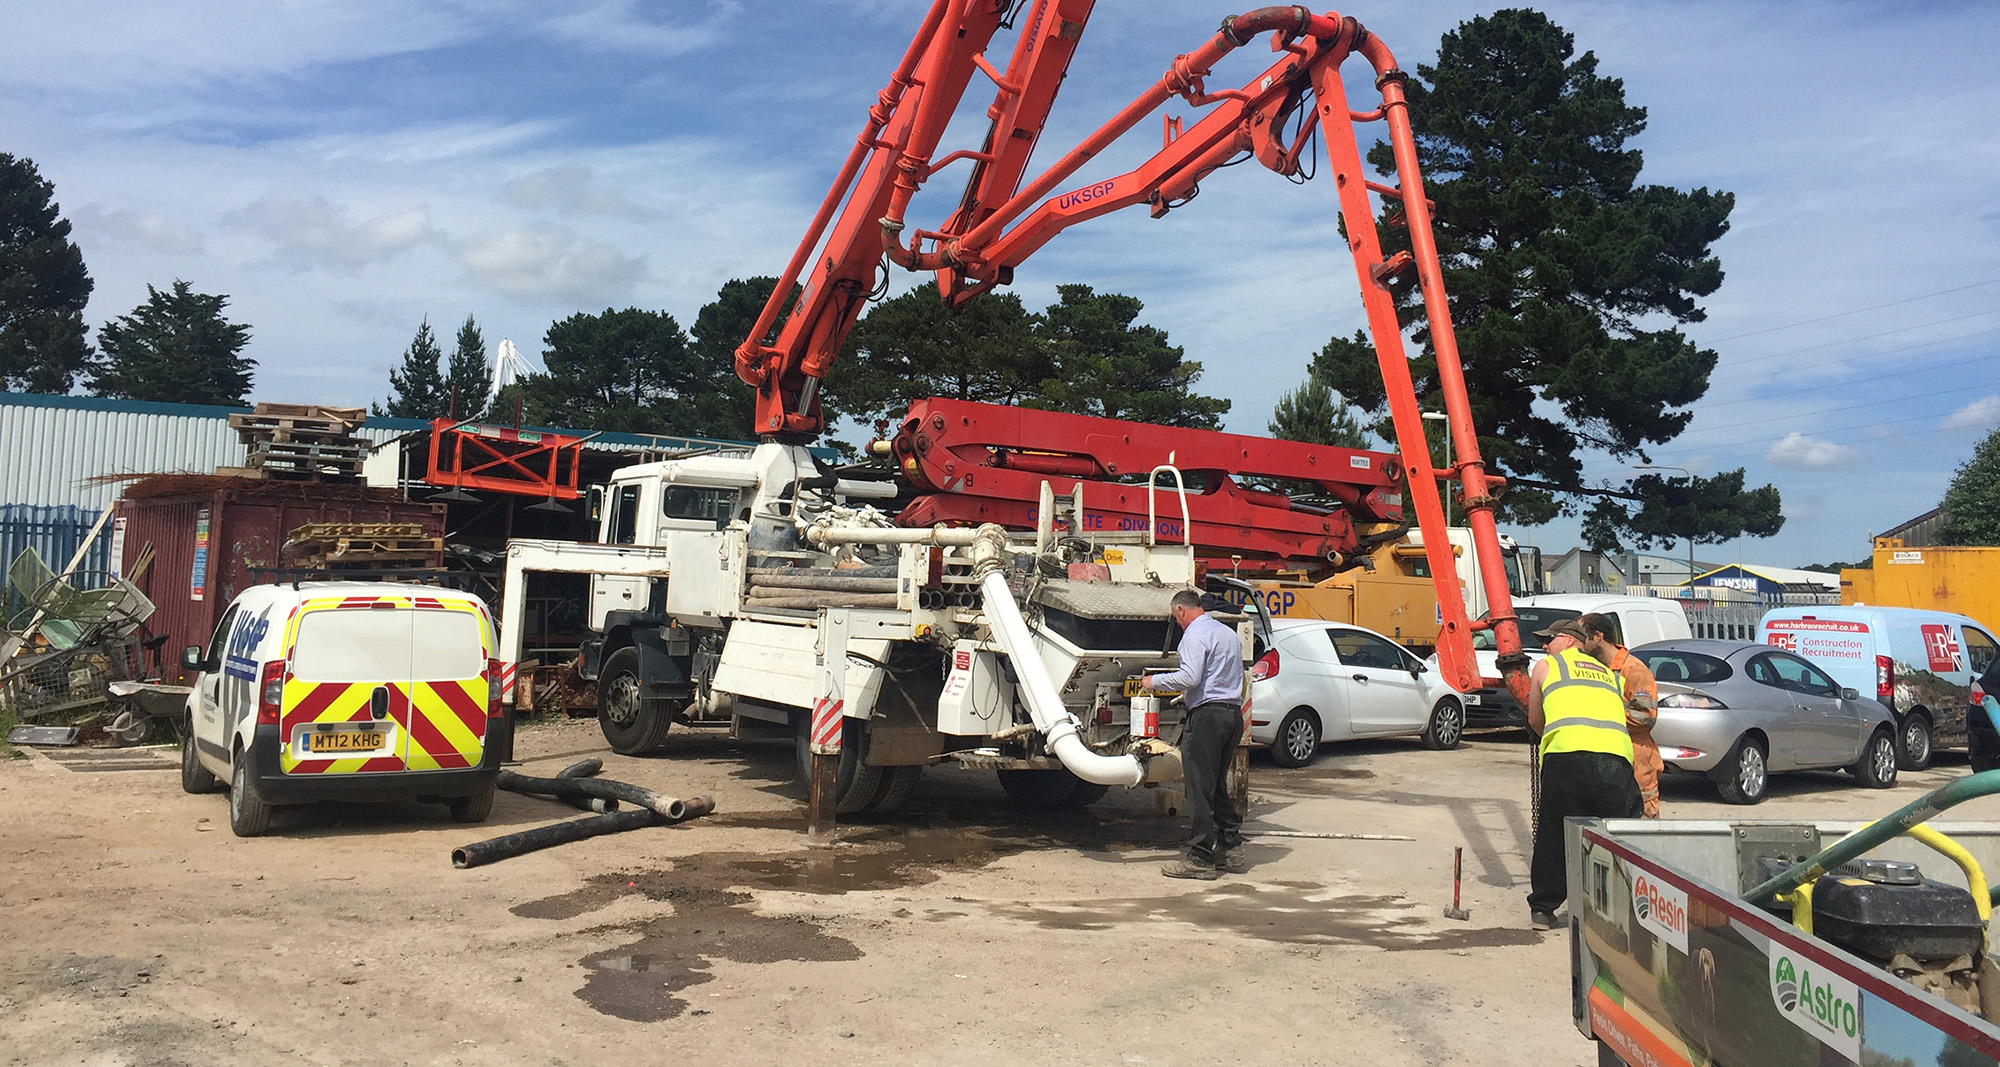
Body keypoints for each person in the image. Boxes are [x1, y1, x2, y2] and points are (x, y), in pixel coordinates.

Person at [1525, 617, 1642, 929]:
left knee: (1554, 832)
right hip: (1615, 762)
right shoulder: (1609, 674)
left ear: (1569, 639)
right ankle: (1619, 907)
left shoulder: (1547, 668)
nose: (1545, 646)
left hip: (1567, 757)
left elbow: (1536, 720)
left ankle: (1543, 907)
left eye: (1550, 639)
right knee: (1615, 835)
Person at [1141, 588, 1246, 880]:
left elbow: (1190, 677)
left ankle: (1200, 857)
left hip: (1208, 717)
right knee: (1214, 785)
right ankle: (1231, 844)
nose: (1178, 623)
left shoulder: (1193, 635)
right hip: (1231, 715)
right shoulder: (1227, 633)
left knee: (1198, 787)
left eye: (1177, 618)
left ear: (1180, 612)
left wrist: (1154, 681)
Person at [1578, 612, 1662, 818]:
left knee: (1642, 823)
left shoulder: (1634, 670)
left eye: (1581, 637)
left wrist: (1604, 714)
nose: (1578, 644)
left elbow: (1646, 716)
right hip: (1609, 757)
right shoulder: (1595, 668)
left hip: (1637, 759)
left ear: (1598, 636)